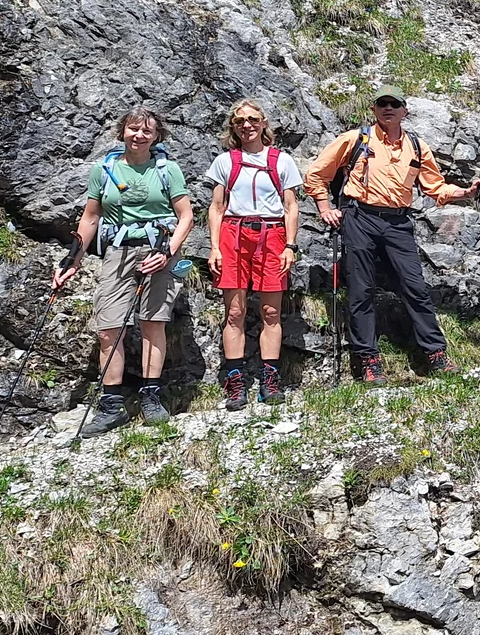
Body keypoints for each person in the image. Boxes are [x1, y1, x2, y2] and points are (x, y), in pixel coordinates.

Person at [303, 88, 480, 384]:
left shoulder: (416, 146)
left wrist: (467, 192)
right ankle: (369, 360)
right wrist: (325, 206)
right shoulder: (356, 140)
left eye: (394, 104)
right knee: (361, 289)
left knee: (415, 286)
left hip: (398, 222)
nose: (388, 108)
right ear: (374, 109)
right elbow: (316, 173)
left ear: (405, 111)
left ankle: (436, 354)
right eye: (382, 103)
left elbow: (435, 188)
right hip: (358, 216)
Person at [54, 106, 196, 436]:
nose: (139, 135)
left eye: (147, 131)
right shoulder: (104, 170)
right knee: (108, 328)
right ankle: (111, 405)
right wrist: (71, 261)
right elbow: (90, 218)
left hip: (159, 250)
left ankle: (150, 396)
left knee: (151, 323)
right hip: (117, 252)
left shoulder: (167, 169)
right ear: (123, 131)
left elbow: (186, 216)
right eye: (133, 129)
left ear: (156, 135)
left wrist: (167, 253)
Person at [204, 99, 303, 408]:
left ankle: (270, 379)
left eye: (252, 119)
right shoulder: (225, 161)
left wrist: (290, 245)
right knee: (234, 312)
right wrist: (215, 246)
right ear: (233, 128)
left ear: (263, 123)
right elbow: (217, 207)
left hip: (272, 236)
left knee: (271, 312)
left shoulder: (282, 161)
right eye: (239, 121)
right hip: (234, 234)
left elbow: (291, 206)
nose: (246, 125)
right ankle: (236, 382)